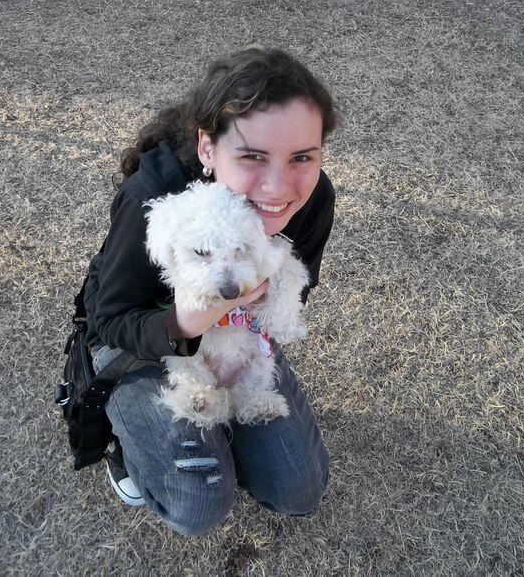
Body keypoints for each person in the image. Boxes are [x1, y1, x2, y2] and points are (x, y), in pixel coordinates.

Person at [83, 46, 339, 536]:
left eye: (302, 156)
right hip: (137, 339)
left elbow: (296, 291)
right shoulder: (157, 200)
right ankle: (127, 444)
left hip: (236, 336)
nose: (278, 185)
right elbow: (108, 320)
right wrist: (187, 322)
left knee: (298, 491)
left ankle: (227, 432)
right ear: (207, 149)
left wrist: (259, 303)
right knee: (198, 505)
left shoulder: (313, 198)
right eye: (252, 156)